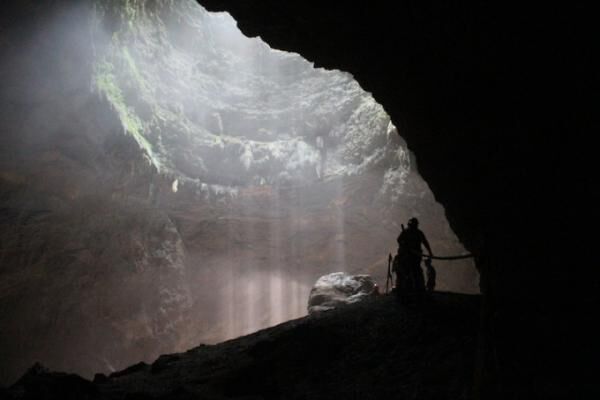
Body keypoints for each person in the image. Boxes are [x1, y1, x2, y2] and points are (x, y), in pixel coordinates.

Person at [395, 217, 433, 296]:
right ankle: (411, 288)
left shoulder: (410, 232)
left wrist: (430, 252)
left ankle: (415, 288)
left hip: (414, 255)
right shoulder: (412, 232)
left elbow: (425, 242)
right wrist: (404, 245)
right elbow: (399, 240)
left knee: (414, 271)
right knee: (411, 271)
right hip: (409, 255)